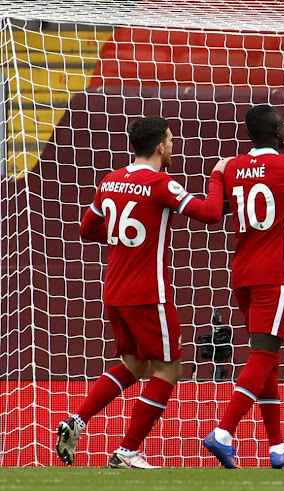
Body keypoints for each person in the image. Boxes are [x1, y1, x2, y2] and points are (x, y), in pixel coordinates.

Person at [56, 116, 227, 468]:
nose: (173, 146)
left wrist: (124, 241)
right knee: (170, 370)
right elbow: (210, 213)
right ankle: (128, 450)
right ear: (160, 147)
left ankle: (77, 421)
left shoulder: (110, 180)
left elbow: (87, 230)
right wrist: (218, 175)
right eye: (171, 140)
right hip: (149, 293)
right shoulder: (162, 183)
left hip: (115, 291)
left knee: (133, 365)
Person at [202, 104, 284, 469]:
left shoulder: (232, 167)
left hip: (242, 274)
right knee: (263, 356)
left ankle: (278, 450)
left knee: (268, 362)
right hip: (275, 275)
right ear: (278, 133)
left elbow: (227, 208)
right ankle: (223, 433)